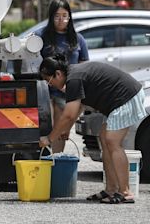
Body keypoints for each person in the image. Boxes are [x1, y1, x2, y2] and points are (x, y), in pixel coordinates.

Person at [39, 54, 147, 204]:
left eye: (49, 80)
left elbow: (68, 115)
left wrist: (49, 139)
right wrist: (66, 130)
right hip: (120, 99)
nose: (50, 84)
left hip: (127, 96)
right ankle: (111, 189)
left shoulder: (74, 79)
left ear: (58, 73)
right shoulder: (73, 76)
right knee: (104, 138)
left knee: (112, 141)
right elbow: (78, 107)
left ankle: (125, 192)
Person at [35, 0, 89, 153]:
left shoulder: (78, 39)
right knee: (43, 128)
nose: (61, 20)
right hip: (44, 91)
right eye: (57, 16)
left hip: (65, 92)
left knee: (61, 130)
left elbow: (84, 66)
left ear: (70, 17)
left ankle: (56, 162)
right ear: (51, 17)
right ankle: (41, 162)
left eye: (65, 16)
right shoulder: (40, 36)